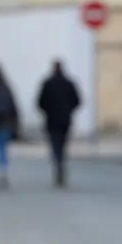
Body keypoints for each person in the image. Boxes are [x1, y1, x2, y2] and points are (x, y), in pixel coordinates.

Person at [36, 59, 82, 187]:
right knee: (63, 142)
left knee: (55, 143)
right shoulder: (69, 84)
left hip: (51, 119)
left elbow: (40, 102)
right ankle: (61, 160)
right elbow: (77, 101)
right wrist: (69, 109)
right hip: (65, 119)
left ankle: (58, 161)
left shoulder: (48, 84)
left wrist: (47, 111)